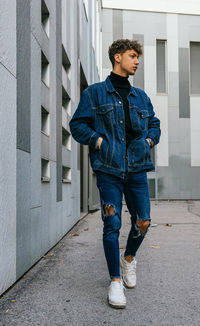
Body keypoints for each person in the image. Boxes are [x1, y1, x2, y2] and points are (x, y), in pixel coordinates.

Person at [69, 39, 161, 309]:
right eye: (133, 56)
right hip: (108, 170)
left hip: (137, 169)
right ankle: (115, 282)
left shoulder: (141, 97)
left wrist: (148, 141)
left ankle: (129, 259)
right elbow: (77, 126)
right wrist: (98, 141)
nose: (137, 61)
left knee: (143, 221)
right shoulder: (95, 94)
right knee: (112, 224)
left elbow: (154, 125)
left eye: (138, 57)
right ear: (117, 57)